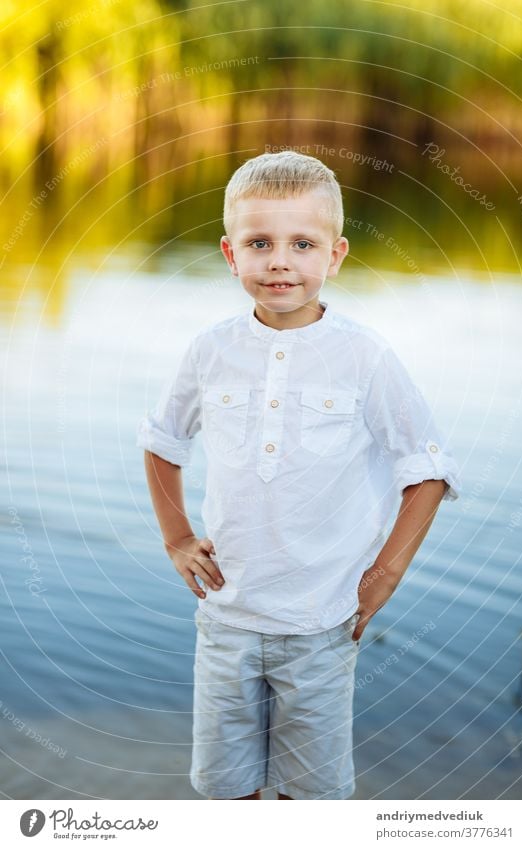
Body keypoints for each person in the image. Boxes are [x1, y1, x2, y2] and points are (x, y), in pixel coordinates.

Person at [136, 151, 461, 800]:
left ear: (334, 255)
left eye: (301, 243)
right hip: (226, 622)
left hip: (320, 624)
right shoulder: (210, 350)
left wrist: (383, 573)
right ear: (231, 255)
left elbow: (425, 469)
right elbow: (162, 440)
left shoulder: (363, 356)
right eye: (260, 243)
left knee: (307, 801)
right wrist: (176, 536)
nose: (279, 260)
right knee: (228, 791)